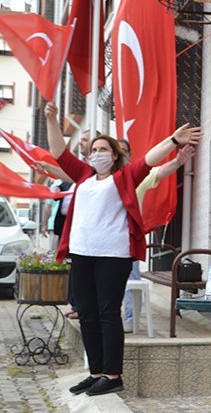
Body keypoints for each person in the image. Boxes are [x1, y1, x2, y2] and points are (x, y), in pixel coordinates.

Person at [40, 102, 202, 396]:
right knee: (86, 313)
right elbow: (59, 153)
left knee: (107, 313)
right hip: (81, 253)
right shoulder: (83, 177)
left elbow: (150, 161)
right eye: (93, 150)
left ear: (114, 156)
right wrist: (52, 120)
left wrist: (174, 141)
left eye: (104, 150)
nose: (97, 154)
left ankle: (113, 375)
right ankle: (96, 372)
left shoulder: (124, 176)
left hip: (112, 255)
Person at [120, 139, 197, 333]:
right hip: (103, 240)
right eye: (117, 151)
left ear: (129, 155)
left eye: (124, 151)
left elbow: (159, 171)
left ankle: (130, 319)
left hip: (128, 239)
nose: (120, 155)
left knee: (131, 281)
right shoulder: (101, 179)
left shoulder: (135, 178)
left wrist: (178, 161)